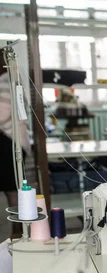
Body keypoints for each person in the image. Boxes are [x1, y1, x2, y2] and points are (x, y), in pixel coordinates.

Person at [0, 50, 30, 238]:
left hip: (10, 144)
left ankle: (18, 233)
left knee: (13, 191)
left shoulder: (6, 82)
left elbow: (2, 114)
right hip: (10, 144)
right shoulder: (10, 80)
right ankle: (17, 232)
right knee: (13, 191)